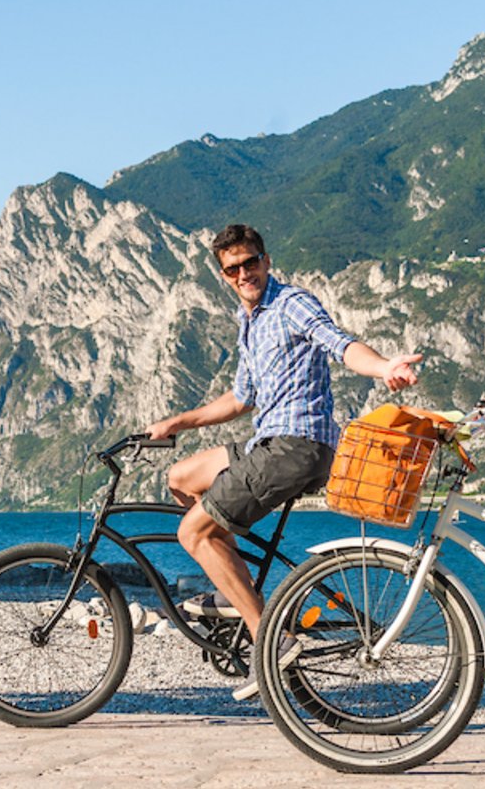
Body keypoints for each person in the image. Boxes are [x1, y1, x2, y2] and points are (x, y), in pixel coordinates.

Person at [148, 223, 423, 700]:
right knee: (181, 477)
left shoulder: (290, 302)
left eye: (250, 262)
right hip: (267, 443)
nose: (243, 273)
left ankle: (270, 642)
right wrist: (179, 422)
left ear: (266, 260)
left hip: (298, 445)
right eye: (232, 268)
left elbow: (338, 342)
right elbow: (240, 398)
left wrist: (383, 367)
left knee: (192, 532)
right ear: (223, 275)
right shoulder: (248, 321)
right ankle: (236, 588)